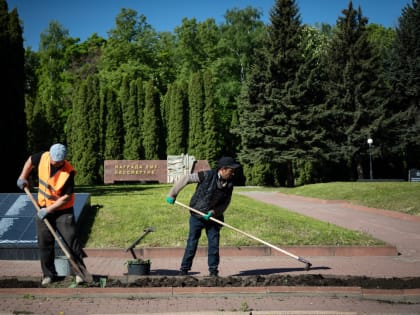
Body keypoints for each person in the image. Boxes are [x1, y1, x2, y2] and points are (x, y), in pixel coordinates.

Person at [16, 143, 88, 285]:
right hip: (42, 207)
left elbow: (65, 198)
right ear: (50, 154)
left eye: (59, 161)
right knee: (44, 243)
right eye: (54, 160)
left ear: (63, 159)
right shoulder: (43, 157)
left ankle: (80, 273)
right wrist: (22, 176)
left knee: (70, 241)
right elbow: (30, 160)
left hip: (63, 211)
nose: (56, 163)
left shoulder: (68, 172)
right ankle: (48, 275)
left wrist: (48, 210)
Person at [166, 156, 241, 277]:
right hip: (196, 214)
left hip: (213, 217)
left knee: (214, 244)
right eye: (231, 170)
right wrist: (172, 194)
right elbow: (186, 178)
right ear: (223, 169)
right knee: (192, 242)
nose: (233, 173)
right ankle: (184, 270)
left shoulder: (230, 184)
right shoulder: (206, 175)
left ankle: (213, 271)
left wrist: (213, 212)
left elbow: (225, 203)